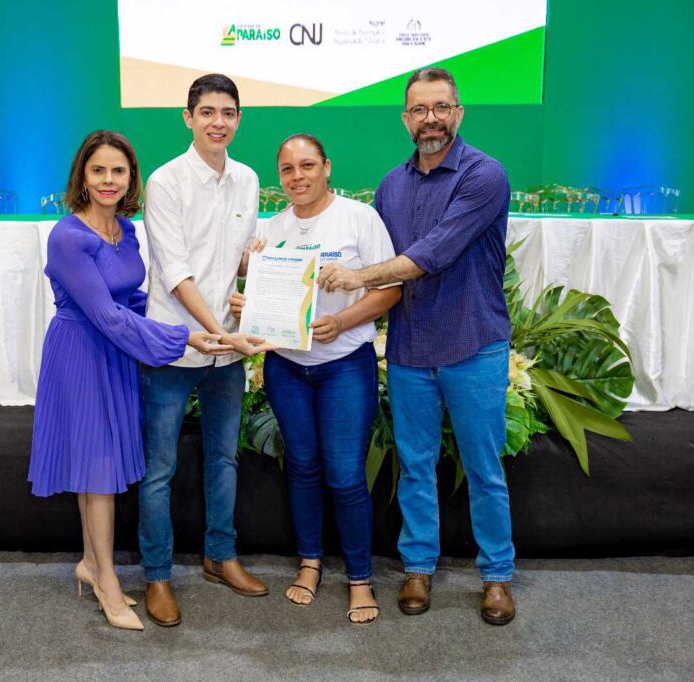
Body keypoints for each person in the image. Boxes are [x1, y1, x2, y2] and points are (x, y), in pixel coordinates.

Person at [319, 67, 517, 625]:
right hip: (410, 349)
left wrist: (355, 278)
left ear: (459, 113)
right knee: (414, 467)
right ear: (406, 119)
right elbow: (366, 253)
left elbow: (431, 254)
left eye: (441, 107)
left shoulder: (484, 175)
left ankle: (497, 575)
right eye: (419, 110)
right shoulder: (391, 185)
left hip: (473, 345)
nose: (431, 118)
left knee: (484, 469)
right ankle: (417, 567)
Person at [28, 130, 229, 631]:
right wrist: (183, 337)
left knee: (100, 463)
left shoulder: (126, 230)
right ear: (82, 175)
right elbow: (106, 315)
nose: (109, 180)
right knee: (98, 471)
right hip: (81, 354)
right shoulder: (68, 237)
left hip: (116, 356)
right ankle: (107, 583)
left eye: (118, 171)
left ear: (131, 178)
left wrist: (195, 319)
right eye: (98, 170)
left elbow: (132, 301)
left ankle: (89, 562)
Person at [229, 133, 400, 625]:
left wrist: (341, 322)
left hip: (345, 363)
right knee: (302, 466)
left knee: (345, 474)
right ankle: (309, 563)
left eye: (307, 165)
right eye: (287, 169)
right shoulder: (273, 228)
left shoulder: (359, 218)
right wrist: (247, 304)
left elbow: (390, 289)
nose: (297, 176)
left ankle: (360, 578)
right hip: (287, 367)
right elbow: (266, 299)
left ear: (327, 167)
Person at [138, 73, 272, 627]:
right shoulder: (165, 182)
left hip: (227, 353)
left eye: (229, 113)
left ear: (239, 119)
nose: (219, 122)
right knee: (159, 469)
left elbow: (233, 261)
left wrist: (257, 267)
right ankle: (157, 575)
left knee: (223, 458)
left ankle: (220, 555)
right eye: (208, 112)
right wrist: (221, 329)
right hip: (175, 345)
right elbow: (176, 273)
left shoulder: (248, 179)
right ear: (188, 117)